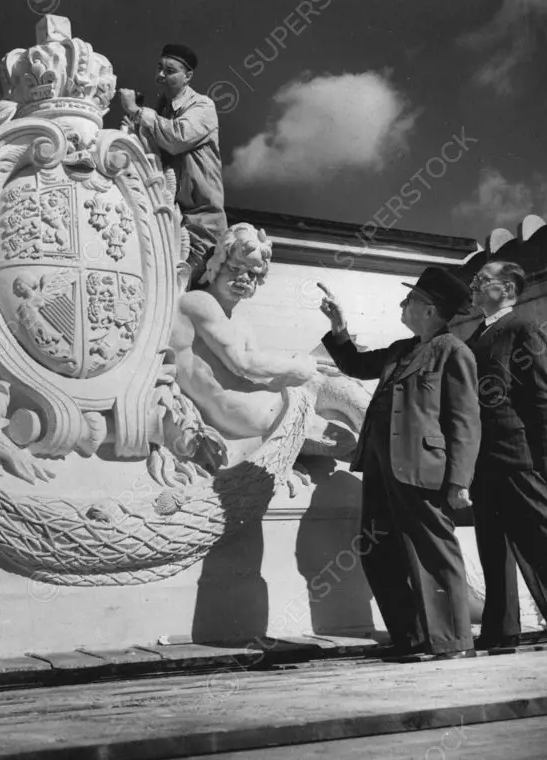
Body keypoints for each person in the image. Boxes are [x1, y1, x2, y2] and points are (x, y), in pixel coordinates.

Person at [318, 268, 481, 660]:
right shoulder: (399, 349)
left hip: (421, 469)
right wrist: (339, 328)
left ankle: (452, 642)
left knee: (434, 554)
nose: (402, 306)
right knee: (379, 552)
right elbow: (355, 365)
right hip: (379, 469)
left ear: (430, 310)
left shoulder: (453, 352)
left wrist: (459, 480)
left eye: (409, 301)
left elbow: (465, 420)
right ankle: (412, 638)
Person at [467, 260, 547, 651]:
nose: (473, 285)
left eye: (480, 280)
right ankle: (501, 630)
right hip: (482, 457)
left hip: (518, 452)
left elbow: (543, 394)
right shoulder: (475, 336)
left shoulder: (522, 328)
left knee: (546, 537)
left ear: (505, 288)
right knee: (493, 544)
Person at [170, 223, 320, 440]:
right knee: (335, 434)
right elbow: (243, 363)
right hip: (237, 409)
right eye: (234, 268)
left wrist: (298, 370)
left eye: (252, 273)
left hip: (253, 399)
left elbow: (258, 372)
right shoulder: (199, 302)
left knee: (327, 385)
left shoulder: (241, 324)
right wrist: (297, 366)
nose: (243, 278)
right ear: (215, 266)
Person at [118, 44, 227, 289]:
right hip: (169, 219)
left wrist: (137, 112)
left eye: (169, 70)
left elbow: (177, 138)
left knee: (178, 290)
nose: (160, 76)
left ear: (187, 76)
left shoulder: (203, 106)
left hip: (201, 226)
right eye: (159, 68)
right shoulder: (161, 113)